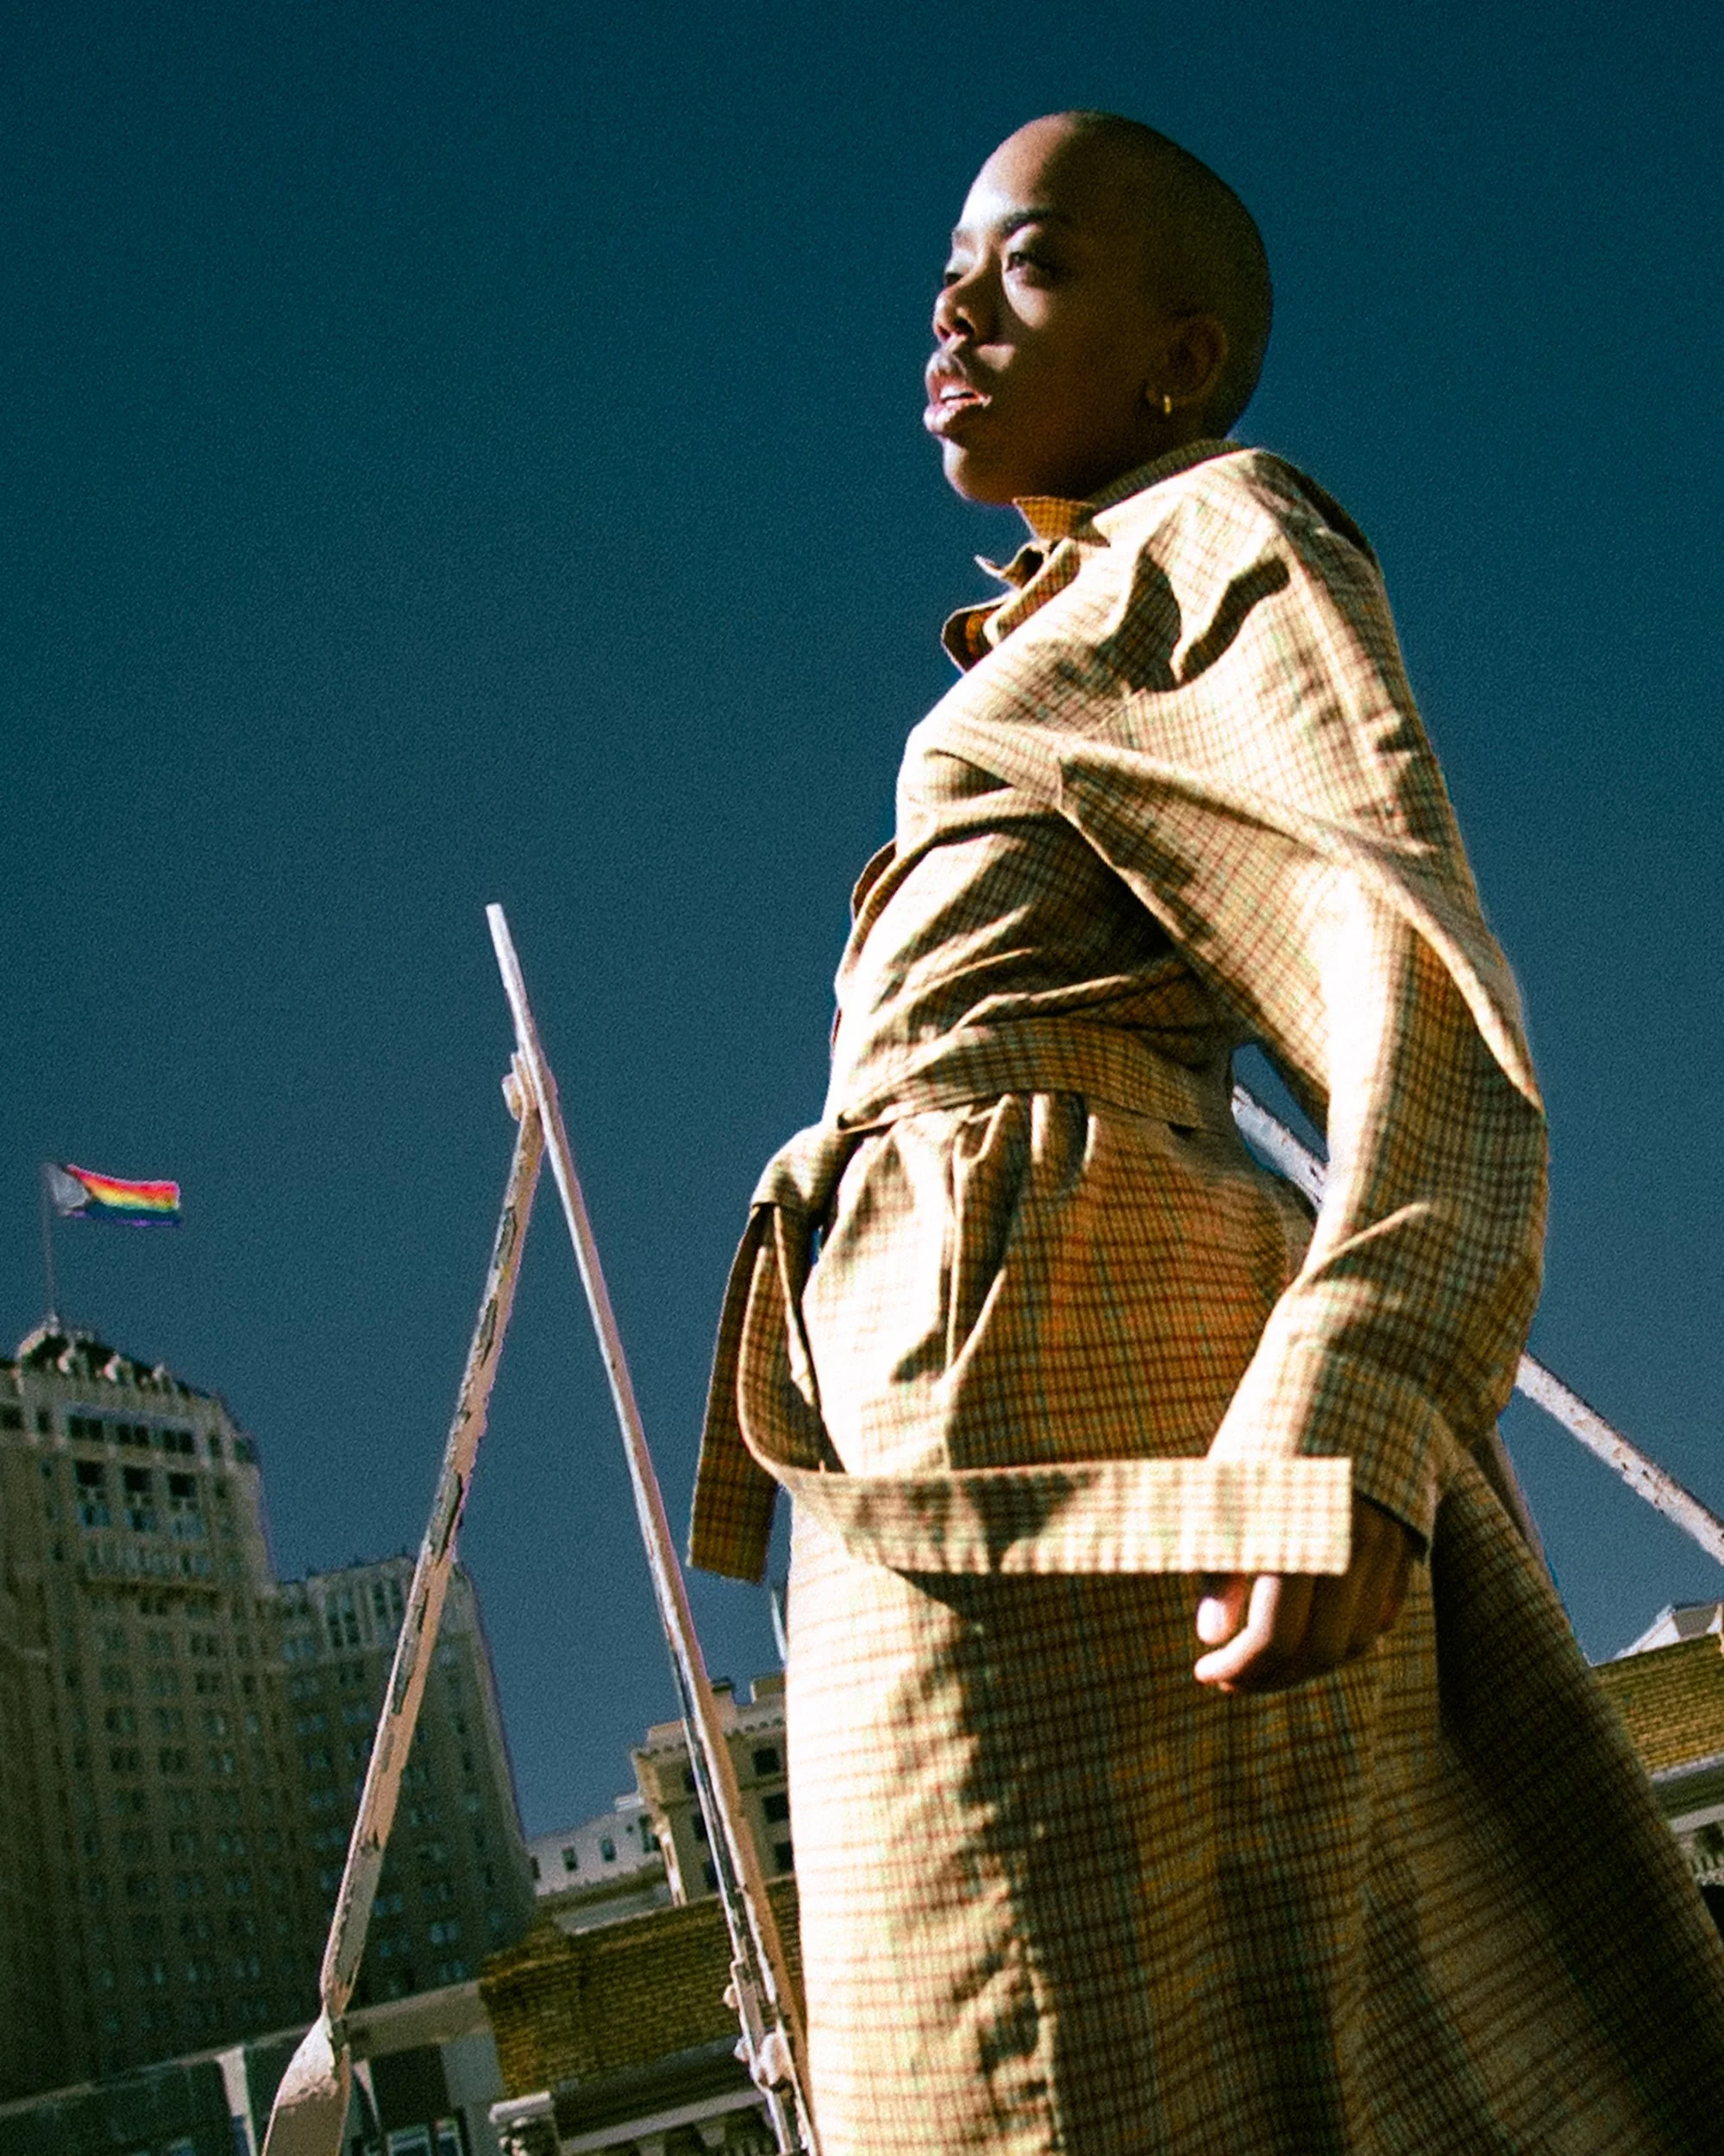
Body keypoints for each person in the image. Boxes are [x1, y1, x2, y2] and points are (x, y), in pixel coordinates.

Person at [691, 110, 1724, 2153]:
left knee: (1053, 2047)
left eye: (1036, 262)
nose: (958, 299)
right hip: (939, 1404)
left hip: (1064, 1379)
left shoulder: (1219, 534)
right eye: (954, 262)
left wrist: (1362, 1382)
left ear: (1180, 356)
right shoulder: (1064, 627)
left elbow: (1396, 950)